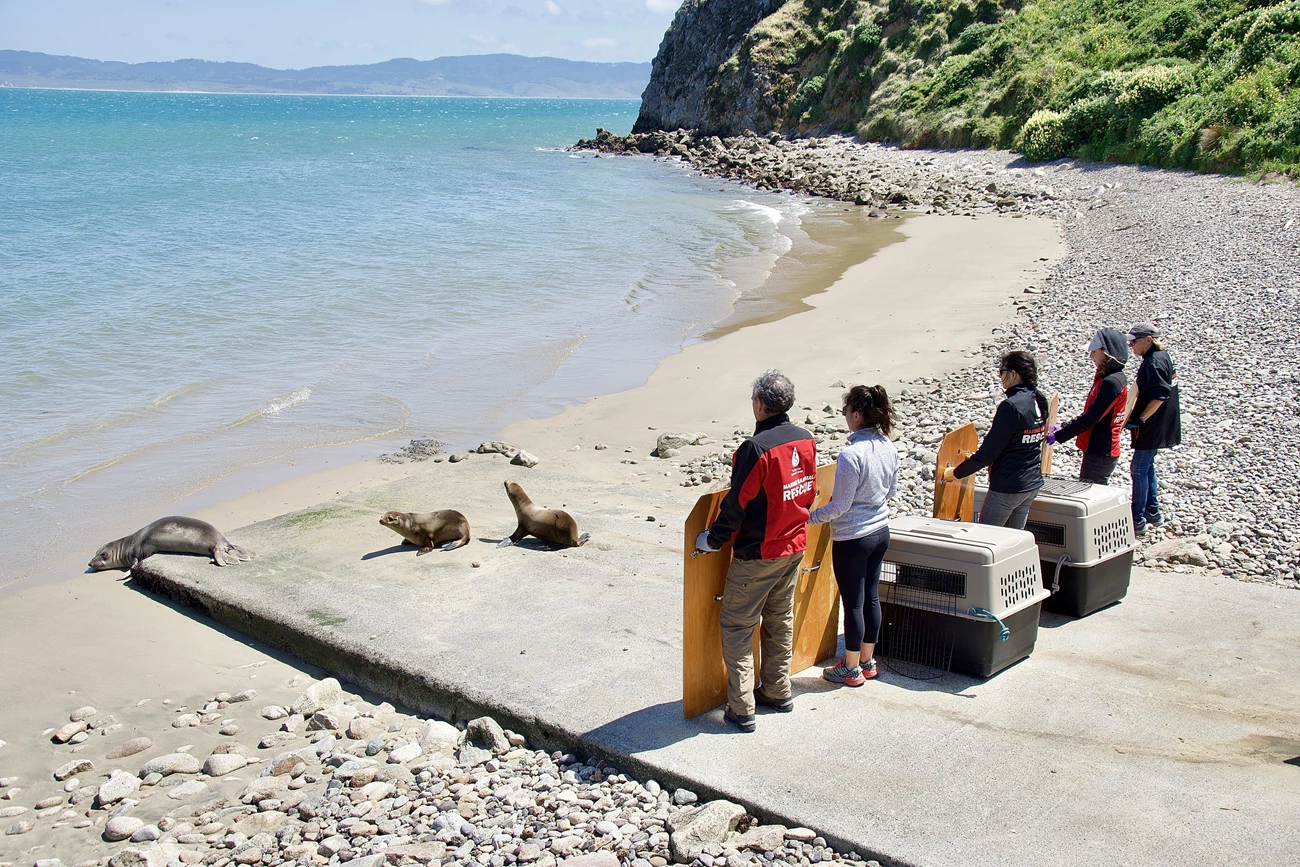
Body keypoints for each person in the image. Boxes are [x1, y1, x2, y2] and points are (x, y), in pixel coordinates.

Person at [695, 370, 817, 733]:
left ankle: (742, 706)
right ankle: (778, 691)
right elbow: (807, 491)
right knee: (780, 620)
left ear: (760, 405)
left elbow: (737, 504)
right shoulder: (805, 439)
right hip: (794, 544)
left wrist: (712, 539)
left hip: (760, 552)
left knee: (736, 624)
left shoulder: (755, 449)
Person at [808, 385, 899, 687]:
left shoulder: (850, 454)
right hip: (880, 531)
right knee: (871, 596)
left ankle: (849, 668)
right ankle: (867, 661)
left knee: (854, 603)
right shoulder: (888, 445)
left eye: (846, 412)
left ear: (857, 415)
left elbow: (840, 506)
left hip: (853, 538)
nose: (845, 416)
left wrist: (811, 517)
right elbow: (891, 492)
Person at [941, 350, 1049, 530]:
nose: (1000, 377)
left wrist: (956, 473)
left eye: (1001, 372)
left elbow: (989, 452)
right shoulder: (1039, 399)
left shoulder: (1011, 406)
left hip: (1008, 487)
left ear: (1014, 374)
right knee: (1014, 540)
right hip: (1031, 484)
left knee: (987, 538)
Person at [1050, 328, 1130, 485]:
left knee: (1091, 495)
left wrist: (1060, 435)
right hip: (1096, 449)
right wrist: (1064, 426)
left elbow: (1093, 417)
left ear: (1107, 353)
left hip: (1101, 451)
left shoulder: (1112, 382)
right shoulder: (1105, 377)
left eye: (1094, 351)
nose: (1091, 355)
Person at [1126, 322, 1181, 535]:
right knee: (1147, 466)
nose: (1131, 346)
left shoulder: (1153, 364)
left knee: (1138, 469)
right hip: (1162, 423)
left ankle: (1137, 519)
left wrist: (1140, 418)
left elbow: (1159, 396)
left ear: (1148, 340)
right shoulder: (1163, 356)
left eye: (1134, 341)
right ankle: (1153, 511)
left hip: (1152, 426)